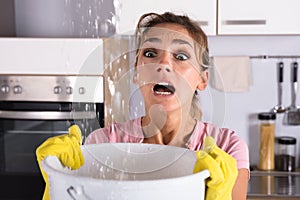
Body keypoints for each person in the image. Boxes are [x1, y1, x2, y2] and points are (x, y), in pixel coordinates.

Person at [37, 12, 249, 200]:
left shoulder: (225, 149)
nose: (163, 63)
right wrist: (56, 180)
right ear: (137, 73)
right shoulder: (103, 143)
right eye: (150, 54)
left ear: (202, 80)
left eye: (181, 56)